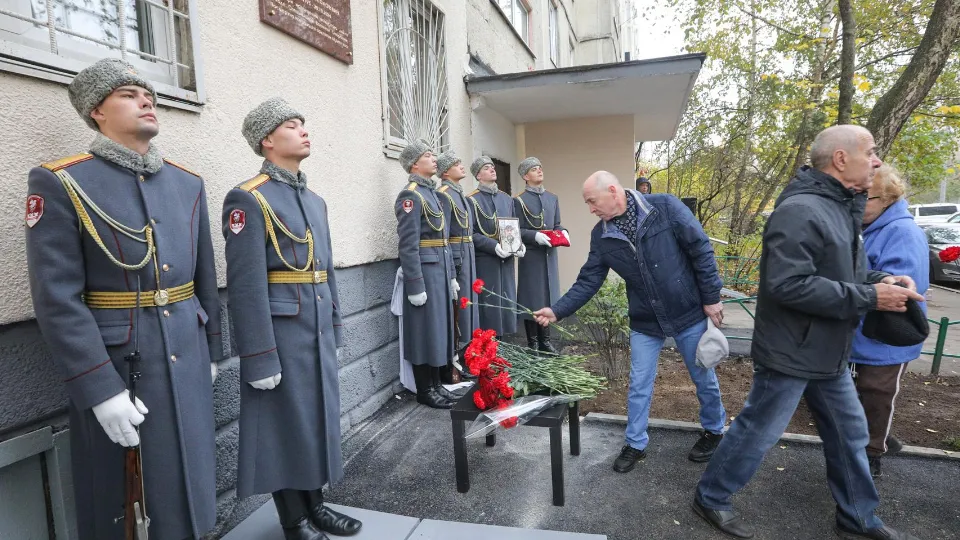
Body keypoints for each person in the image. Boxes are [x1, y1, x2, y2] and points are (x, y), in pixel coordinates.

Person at [692, 125, 925, 540]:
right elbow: (787, 285)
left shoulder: (840, 205)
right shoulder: (801, 210)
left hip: (827, 349)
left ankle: (858, 519)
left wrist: (883, 280)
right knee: (758, 431)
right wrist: (870, 297)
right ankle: (710, 496)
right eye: (870, 152)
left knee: (851, 434)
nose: (876, 161)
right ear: (841, 159)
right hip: (791, 351)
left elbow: (840, 272)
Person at [24, 58, 221, 540]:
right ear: (97, 111)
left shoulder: (187, 183)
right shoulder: (62, 181)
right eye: (129, 95)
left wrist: (212, 350)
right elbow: (57, 297)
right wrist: (99, 388)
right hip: (120, 364)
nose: (146, 101)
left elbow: (204, 277)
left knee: (192, 477)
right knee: (126, 496)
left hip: (187, 348)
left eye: (148, 95)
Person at [223, 98, 361, 540]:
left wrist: (335, 325)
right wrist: (259, 355)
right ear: (267, 140)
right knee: (283, 425)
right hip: (280, 331)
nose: (303, 131)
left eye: (303, 124)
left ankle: (316, 506)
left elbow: (326, 268)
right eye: (291, 125)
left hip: (314, 326)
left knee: (314, 419)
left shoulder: (314, 200)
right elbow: (245, 285)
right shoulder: (249, 197)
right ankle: (294, 520)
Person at [533, 171, 727, 472]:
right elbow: (589, 280)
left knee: (703, 375)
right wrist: (558, 310)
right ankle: (635, 443)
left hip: (686, 310)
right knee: (639, 383)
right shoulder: (602, 235)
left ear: (613, 191)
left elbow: (700, 249)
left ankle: (714, 431)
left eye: (592, 201)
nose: (591, 209)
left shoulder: (665, 207)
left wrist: (711, 297)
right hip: (645, 318)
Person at [852, 164, 929, 479]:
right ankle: (877, 438)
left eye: (865, 198)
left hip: (887, 335)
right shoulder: (868, 225)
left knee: (877, 392)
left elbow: (903, 289)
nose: (857, 204)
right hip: (863, 330)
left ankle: (872, 454)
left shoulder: (902, 232)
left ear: (887, 199)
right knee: (862, 393)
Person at [395, 140, 459, 409]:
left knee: (438, 329)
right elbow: (408, 245)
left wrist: (451, 275)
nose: (434, 159)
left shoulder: (432, 194)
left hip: (440, 271)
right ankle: (425, 389)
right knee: (424, 331)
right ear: (414, 165)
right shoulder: (410, 196)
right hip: (425, 272)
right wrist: (415, 285)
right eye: (428, 155)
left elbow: (444, 241)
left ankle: (436, 384)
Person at [514, 157, 567, 353]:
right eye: (534, 169)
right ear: (525, 176)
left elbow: (557, 224)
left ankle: (546, 340)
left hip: (549, 255)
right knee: (532, 297)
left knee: (547, 297)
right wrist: (533, 235)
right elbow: (514, 230)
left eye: (540, 167)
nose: (539, 170)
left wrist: (563, 232)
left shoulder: (552, 198)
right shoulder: (518, 200)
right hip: (531, 256)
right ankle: (533, 343)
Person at [469, 157, 526, 336]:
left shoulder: (507, 199)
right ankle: (489, 346)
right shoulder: (471, 200)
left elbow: (512, 227)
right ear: (478, 175)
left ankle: (504, 345)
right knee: (489, 307)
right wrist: (492, 246)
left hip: (506, 260)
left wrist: (518, 244)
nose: (492, 169)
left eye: (492, 167)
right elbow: (471, 234)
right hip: (486, 261)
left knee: (507, 305)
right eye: (487, 168)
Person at [436, 151, 480, 373]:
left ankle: (469, 355)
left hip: (467, 252)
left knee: (469, 306)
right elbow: (444, 234)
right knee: (459, 310)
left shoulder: (458, 194)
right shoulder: (444, 194)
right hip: (457, 256)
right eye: (456, 164)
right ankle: (457, 358)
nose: (462, 166)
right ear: (445, 172)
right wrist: (454, 266)